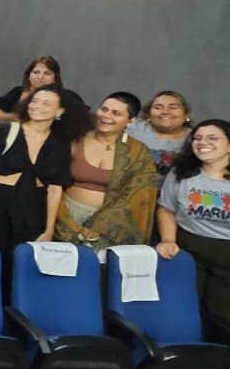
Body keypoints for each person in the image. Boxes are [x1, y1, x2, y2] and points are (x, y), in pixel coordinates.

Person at [0, 87, 85, 284]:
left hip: (34, 207)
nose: (37, 106)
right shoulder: (8, 132)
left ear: (60, 111)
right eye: (34, 101)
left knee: (23, 266)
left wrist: (49, 229)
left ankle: (17, 303)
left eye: (46, 103)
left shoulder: (60, 143)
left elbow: (55, 188)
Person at [54, 92, 158, 251]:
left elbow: (139, 196)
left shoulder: (138, 152)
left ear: (130, 121)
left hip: (112, 226)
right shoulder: (75, 138)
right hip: (64, 217)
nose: (106, 116)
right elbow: (52, 180)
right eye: (104, 109)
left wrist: (100, 225)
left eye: (116, 113)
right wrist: (67, 222)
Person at [156, 119, 230, 323]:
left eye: (212, 138)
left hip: (226, 252)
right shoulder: (180, 173)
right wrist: (168, 240)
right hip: (189, 247)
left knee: (223, 316)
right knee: (182, 309)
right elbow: (167, 209)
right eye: (197, 138)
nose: (203, 142)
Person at [128, 90, 194, 181]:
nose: (165, 112)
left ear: (185, 114)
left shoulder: (197, 138)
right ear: (148, 114)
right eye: (158, 108)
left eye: (173, 107)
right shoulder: (132, 129)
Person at [0, 56, 62, 125]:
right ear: (28, 76)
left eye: (47, 73)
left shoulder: (63, 98)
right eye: (36, 72)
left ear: (55, 78)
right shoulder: (18, 92)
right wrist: (16, 118)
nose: (40, 77)